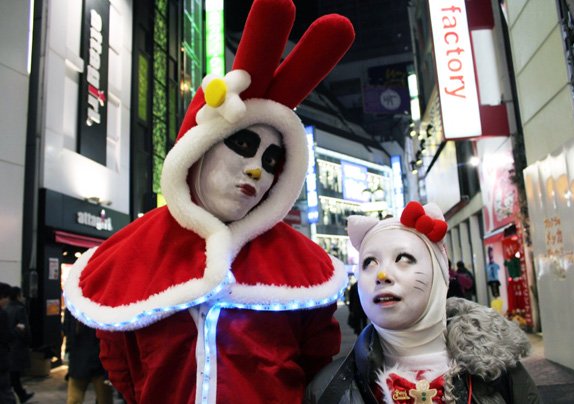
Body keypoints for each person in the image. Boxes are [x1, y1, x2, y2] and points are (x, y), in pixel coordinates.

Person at [63, 1, 355, 403]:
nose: (258, 170)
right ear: (198, 149)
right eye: (243, 145)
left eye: (272, 161)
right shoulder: (133, 252)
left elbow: (316, 357)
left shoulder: (301, 264)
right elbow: (122, 363)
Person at [306, 201, 541, 403]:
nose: (382, 275)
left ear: (438, 275)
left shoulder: (500, 373)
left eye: (403, 258)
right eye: (369, 262)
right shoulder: (328, 390)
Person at [63, 310, 113, 404]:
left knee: (103, 399)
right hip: (83, 361)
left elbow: (67, 329)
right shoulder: (74, 306)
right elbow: (67, 329)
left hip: (96, 362)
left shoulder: (75, 305)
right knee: (75, 399)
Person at [5, 287, 34, 403]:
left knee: (13, 374)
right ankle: (19, 395)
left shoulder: (6, 309)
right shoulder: (20, 309)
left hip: (9, 347)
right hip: (18, 346)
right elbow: (25, 329)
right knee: (14, 374)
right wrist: (29, 341)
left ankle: (21, 394)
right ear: (18, 296)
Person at [0, 283, 17, 404]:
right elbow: (7, 336)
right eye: (6, 297)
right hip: (1, 360)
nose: (7, 301)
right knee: (6, 394)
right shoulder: (2, 314)